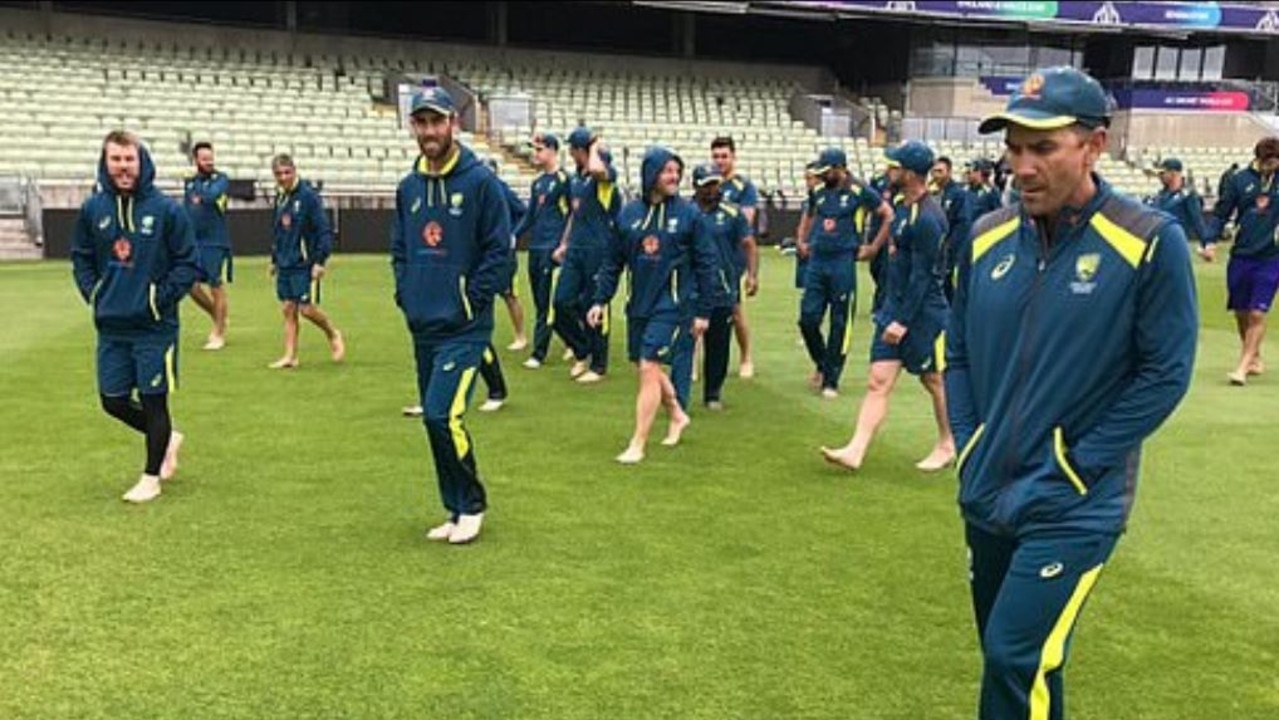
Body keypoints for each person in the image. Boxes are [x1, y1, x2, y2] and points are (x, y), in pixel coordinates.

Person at [947, 67, 1197, 719]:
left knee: (1014, 657)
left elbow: (1163, 372)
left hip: (1073, 504)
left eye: (1043, 147)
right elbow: (960, 349)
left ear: (1093, 145)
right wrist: (972, 441)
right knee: (1023, 662)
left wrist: (1076, 464)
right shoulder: (985, 236)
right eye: (1013, 148)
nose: (1022, 167)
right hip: (987, 491)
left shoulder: (1145, 240)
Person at [391, 87, 510, 544]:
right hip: (422, 324)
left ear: (453, 125)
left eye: (436, 121)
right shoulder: (408, 187)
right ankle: (454, 507)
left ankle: (473, 503)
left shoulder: (480, 183)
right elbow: (400, 249)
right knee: (431, 421)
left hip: (464, 327)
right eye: (421, 123)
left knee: (443, 415)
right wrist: (406, 293)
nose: (429, 131)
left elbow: (500, 253)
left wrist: (469, 302)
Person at [71, 131, 199, 503]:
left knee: (154, 399)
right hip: (110, 326)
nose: (123, 167)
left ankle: (150, 477)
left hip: (153, 327)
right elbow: (80, 257)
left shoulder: (167, 210)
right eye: (116, 160)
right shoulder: (93, 209)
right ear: (105, 162)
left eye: (129, 159)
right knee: (112, 401)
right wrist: (95, 294)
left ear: (141, 161)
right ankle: (168, 438)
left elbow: (188, 263)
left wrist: (158, 300)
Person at [821, 140, 954, 472]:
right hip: (893, 308)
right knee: (878, 380)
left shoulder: (929, 218)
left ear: (909, 173)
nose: (887, 171)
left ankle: (948, 443)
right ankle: (855, 449)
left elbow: (924, 277)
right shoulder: (898, 204)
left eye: (893, 166)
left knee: (934, 380)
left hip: (923, 314)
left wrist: (903, 321)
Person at [587, 147, 720, 464]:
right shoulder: (628, 215)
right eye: (667, 171)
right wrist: (600, 300)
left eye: (677, 171)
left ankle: (638, 443)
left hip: (673, 306)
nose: (674, 177)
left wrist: (703, 311)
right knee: (642, 363)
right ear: (651, 175)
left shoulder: (689, 216)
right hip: (639, 304)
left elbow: (707, 264)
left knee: (649, 366)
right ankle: (676, 412)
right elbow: (612, 262)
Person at [796, 147, 894, 398]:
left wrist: (873, 247)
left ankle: (831, 379)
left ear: (840, 169)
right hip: (818, 259)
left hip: (843, 261)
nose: (822, 176)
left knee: (840, 321)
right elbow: (808, 215)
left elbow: (887, 215)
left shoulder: (859, 190)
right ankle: (822, 361)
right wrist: (801, 240)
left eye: (826, 171)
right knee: (808, 318)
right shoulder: (818, 190)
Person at [553, 127, 621, 384]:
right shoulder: (576, 180)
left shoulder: (604, 177)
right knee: (561, 303)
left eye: (573, 148)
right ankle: (582, 349)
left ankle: (599, 364)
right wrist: (564, 243)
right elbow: (574, 213)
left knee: (595, 306)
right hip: (576, 250)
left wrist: (593, 146)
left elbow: (597, 170)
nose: (569, 153)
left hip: (599, 250)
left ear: (582, 150)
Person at [1210, 137, 1279, 385]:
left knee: (1258, 313)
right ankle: (1254, 356)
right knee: (1241, 312)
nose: (1271, 167)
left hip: (1272, 257)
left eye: (1275, 162)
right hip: (1241, 255)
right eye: (1267, 162)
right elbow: (1222, 212)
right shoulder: (1239, 180)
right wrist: (1210, 241)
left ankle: (1242, 366)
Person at [268, 154, 345, 369]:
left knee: (306, 309)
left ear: (294, 171)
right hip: (285, 262)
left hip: (303, 262)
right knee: (287, 309)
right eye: (279, 174)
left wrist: (320, 261)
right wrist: (274, 258)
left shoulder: (308, 197)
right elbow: (278, 231)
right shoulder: (279, 197)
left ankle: (332, 333)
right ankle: (290, 356)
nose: (283, 177)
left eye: (287, 172)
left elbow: (323, 230)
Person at [690, 162, 754, 410]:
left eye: (715, 183)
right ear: (696, 186)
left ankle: (713, 393)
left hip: (722, 286)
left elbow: (748, 243)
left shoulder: (731, 212)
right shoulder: (685, 212)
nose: (712, 189)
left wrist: (751, 274)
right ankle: (679, 389)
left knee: (718, 343)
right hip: (691, 286)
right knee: (686, 339)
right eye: (707, 185)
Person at [515, 133, 571, 369]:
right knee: (540, 301)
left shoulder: (563, 180)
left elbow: (572, 215)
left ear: (552, 151)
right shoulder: (538, 182)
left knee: (548, 303)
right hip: (535, 248)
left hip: (552, 248)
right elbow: (530, 215)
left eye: (539, 149)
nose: (535, 154)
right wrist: (512, 235)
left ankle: (539, 352)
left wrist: (564, 244)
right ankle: (575, 340)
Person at [710, 136, 760, 378]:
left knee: (734, 310)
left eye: (724, 156)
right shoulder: (709, 185)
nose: (720, 161)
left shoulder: (743, 187)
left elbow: (746, 224)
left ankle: (746, 356)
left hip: (732, 260)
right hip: (709, 258)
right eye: (716, 156)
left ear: (733, 157)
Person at [183, 142, 232, 350]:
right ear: (196, 160)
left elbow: (211, 196)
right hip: (194, 242)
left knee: (215, 285)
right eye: (204, 159)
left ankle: (218, 333)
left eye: (211, 158)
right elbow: (188, 209)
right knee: (190, 285)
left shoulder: (220, 179)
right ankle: (218, 315)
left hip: (215, 241)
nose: (209, 162)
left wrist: (197, 185)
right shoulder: (190, 183)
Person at [487, 158, 530, 352]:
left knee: (509, 294)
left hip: (503, 252)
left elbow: (523, 212)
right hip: (484, 250)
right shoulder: (477, 192)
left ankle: (520, 335)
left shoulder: (502, 190)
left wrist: (513, 234)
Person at [930, 155, 973, 303]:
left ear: (949, 172)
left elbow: (963, 224)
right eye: (934, 171)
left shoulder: (958, 194)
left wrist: (951, 247)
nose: (936, 175)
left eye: (940, 171)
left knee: (949, 286)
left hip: (950, 250)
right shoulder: (931, 193)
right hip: (933, 248)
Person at [1147, 157, 1212, 254]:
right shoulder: (1159, 196)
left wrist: (1206, 244)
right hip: (1157, 246)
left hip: (1177, 246)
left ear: (1173, 174)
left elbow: (1197, 220)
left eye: (1163, 173)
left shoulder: (1187, 195)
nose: (1160, 176)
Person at [867, 157, 903, 315]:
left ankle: (880, 304)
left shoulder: (901, 185)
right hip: (876, 230)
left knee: (886, 270)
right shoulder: (877, 181)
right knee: (874, 268)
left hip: (892, 231)